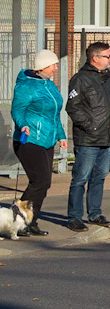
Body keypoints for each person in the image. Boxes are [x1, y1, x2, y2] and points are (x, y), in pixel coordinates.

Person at [64, 41, 110, 232]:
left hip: (107, 138)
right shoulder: (80, 79)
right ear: (95, 58)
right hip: (88, 139)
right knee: (80, 178)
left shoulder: (108, 78)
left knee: (100, 177)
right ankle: (74, 217)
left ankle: (94, 213)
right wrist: (91, 127)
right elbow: (73, 107)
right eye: (107, 55)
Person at [10, 50, 66, 236]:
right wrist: (24, 125)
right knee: (39, 181)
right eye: (53, 65)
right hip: (29, 139)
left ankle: (32, 221)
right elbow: (17, 110)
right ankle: (17, 220)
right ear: (43, 66)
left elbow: (54, 114)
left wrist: (61, 135)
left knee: (44, 183)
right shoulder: (26, 86)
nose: (56, 68)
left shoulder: (49, 85)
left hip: (47, 139)